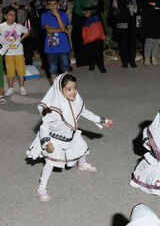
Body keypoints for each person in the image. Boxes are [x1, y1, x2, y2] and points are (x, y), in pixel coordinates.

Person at [26, 73, 114, 202]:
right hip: (54, 139)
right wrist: (47, 143)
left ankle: (82, 164)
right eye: (68, 89)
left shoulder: (76, 101)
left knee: (83, 148)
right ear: (59, 90)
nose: (73, 92)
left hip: (70, 134)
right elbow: (44, 127)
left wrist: (102, 120)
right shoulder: (53, 109)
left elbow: (85, 112)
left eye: (74, 88)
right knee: (50, 162)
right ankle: (41, 188)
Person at [72, 0, 107, 72]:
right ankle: (92, 62)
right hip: (85, 22)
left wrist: (91, 11)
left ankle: (101, 64)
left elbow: (101, 7)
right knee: (89, 43)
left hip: (96, 21)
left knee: (99, 44)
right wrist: (83, 13)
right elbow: (76, 9)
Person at [0, 6, 30, 96]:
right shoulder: (1, 26)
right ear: (5, 16)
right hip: (8, 53)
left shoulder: (18, 26)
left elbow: (28, 31)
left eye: (14, 15)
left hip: (19, 52)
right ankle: (11, 88)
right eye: (10, 15)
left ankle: (22, 87)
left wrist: (20, 39)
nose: (12, 17)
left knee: (21, 71)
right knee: (10, 72)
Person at [41, 0, 70, 82]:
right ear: (47, 5)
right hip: (51, 47)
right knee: (53, 68)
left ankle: (67, 86)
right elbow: (49, 30)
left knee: (65, 66)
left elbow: (63, 28)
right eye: (50, 4)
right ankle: (54, 89)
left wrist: (57, 15)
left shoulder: (63, 14)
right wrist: (62, 30)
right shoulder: (45, 15)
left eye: (54, 4)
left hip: (63, 46)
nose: (53, 7)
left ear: (58, 4)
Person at [112, 0, 140, 67]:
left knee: (132, 42)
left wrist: (132, 5)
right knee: (123, 42)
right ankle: (125, 61)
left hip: (132, 22)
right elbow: (115, 7)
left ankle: (132, 61)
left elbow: (137, 9)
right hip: (122, 21)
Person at [143, 0, 160, 65]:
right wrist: (153, 7)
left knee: (156, 40)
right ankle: (147, 57)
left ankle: (154, 57)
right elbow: (144, 5)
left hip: (158, 20)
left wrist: (154, 5)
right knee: (149, 39)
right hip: (149, 20)